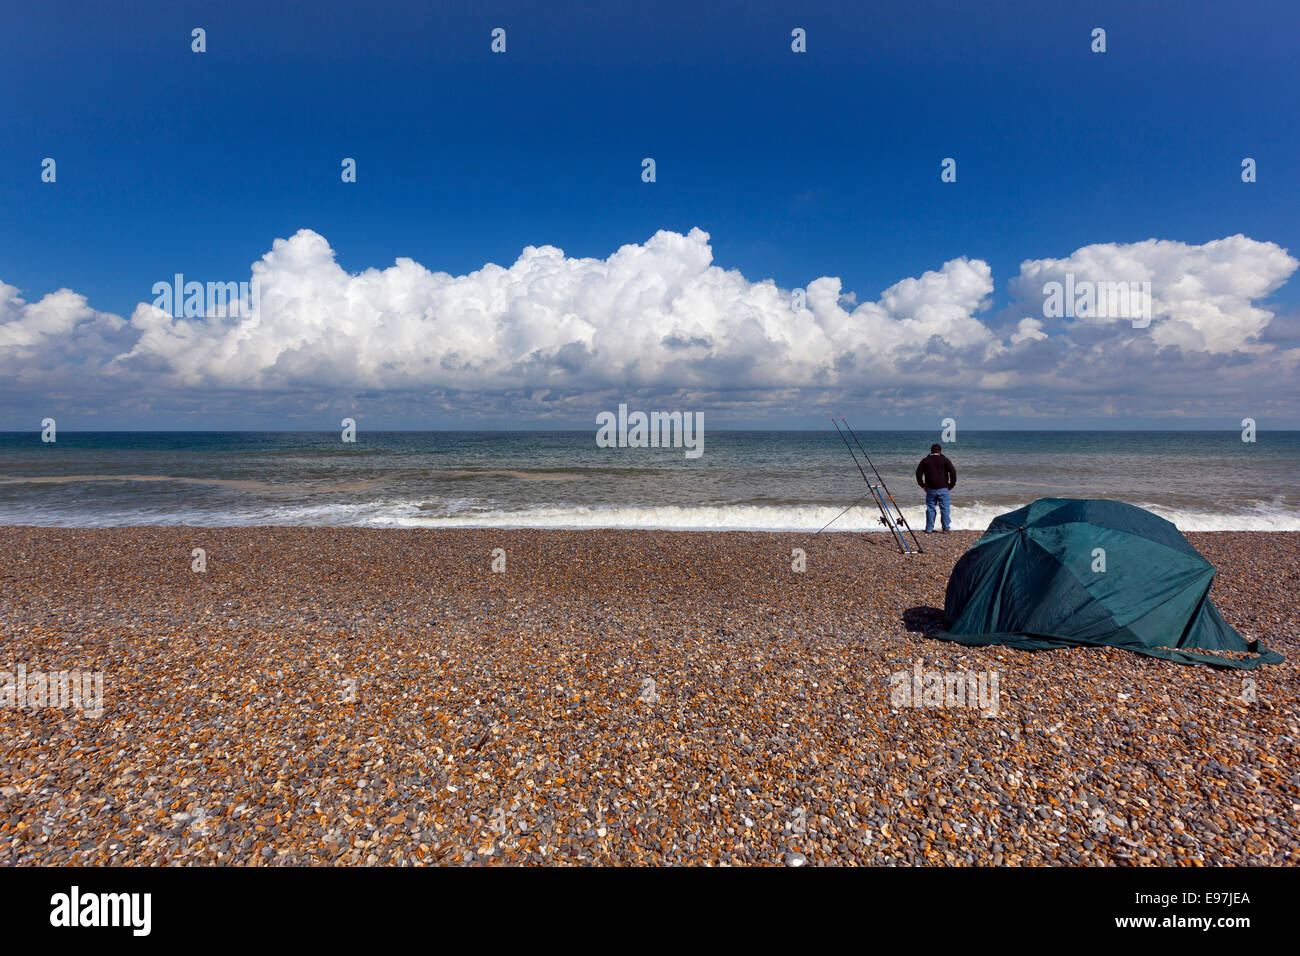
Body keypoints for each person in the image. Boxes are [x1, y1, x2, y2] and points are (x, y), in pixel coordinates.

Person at [916, 443, 956, 533]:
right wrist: (951, 485)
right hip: (943, 488)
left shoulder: (925, 460)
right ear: (940, 451)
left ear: (931, 451)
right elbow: (953, 472)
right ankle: (945, 528)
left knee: (930, 508)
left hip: (930, 488)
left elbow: (918, 474)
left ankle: (929, 529)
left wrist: (923, 485)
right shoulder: (945, 460)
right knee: (945, 509)